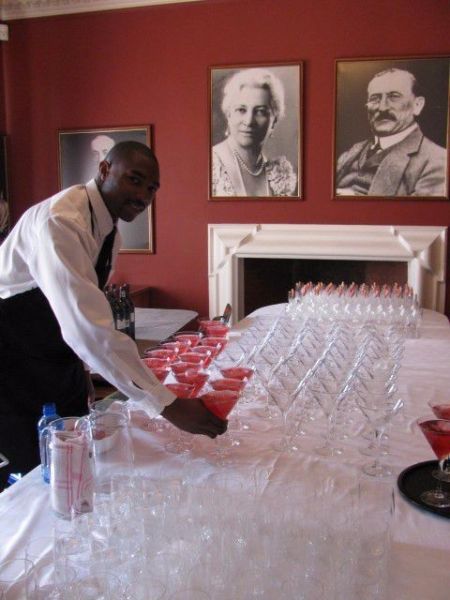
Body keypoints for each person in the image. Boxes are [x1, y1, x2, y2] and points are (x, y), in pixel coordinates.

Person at [0, 141, 226, 488]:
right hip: (12, 361)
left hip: (53, 355)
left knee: (77, 461)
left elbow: (81, 310)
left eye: (151, 188)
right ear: (104, 170)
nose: (143, 196)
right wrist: (168, 406)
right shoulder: (61, 222)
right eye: (134, 180)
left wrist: (82, 372)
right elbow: (88, 329)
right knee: (36, 473)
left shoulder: (109, 232)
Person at [336, 68, 447, 197]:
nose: (382, 107)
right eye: (375, 98)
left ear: (417, 105)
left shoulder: (438, 161)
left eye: (394, 97)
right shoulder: (350, 153)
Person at [212, 68, 298, 197]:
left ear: (274, 120)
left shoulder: (280, 175)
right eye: (241, 110)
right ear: (229, 115)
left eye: (260, 111)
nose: (249, 121)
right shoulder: (211, 164)